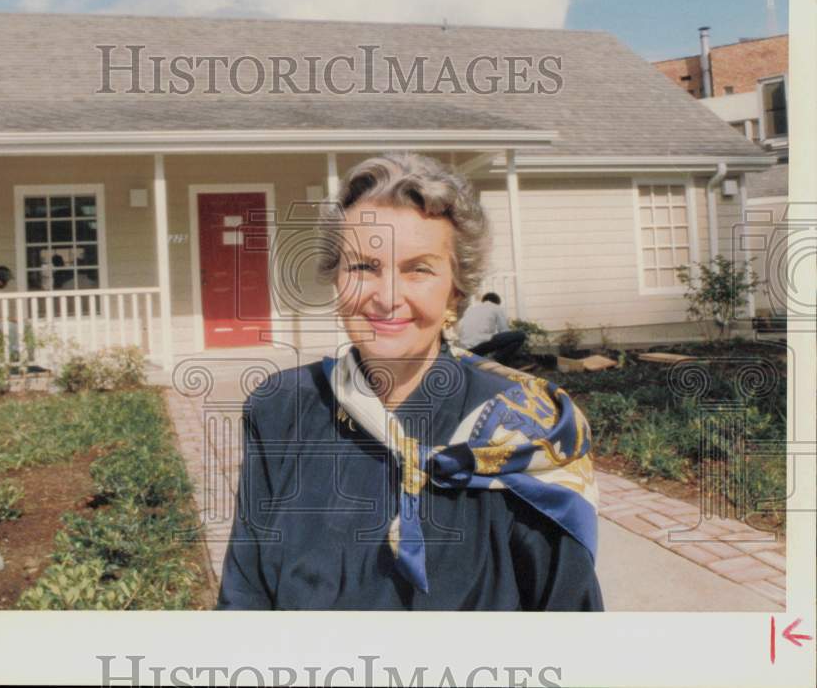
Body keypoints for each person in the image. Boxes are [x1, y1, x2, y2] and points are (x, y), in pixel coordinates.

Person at [216, 152, 602, 611]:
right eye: (363, 267)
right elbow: (245, 599)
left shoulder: (524, 427)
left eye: (418, 269)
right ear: (335, 278)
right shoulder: (281, 409)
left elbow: (570, 628)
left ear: (456, 288)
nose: (387, 298)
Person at [458, 292, 527, 366]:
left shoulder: (471, 309)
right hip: (480, 345)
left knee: (490, 338)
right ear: (497, 302)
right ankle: (496, 361)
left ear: (483, 301)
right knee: (520, 335)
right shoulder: (496, 308)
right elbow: (504, 330)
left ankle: (492, 359)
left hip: (465, 348)